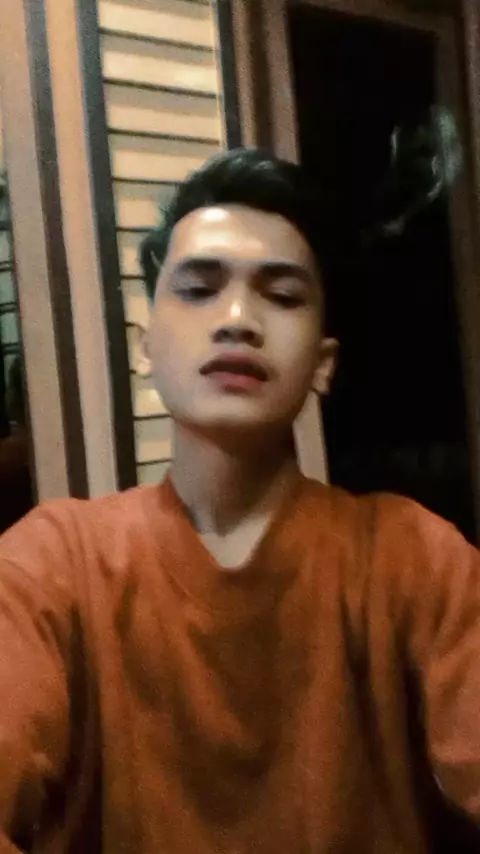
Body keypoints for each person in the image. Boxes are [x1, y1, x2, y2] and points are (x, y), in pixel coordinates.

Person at [0, 148, 478, 854]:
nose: (237, 319)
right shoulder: (52, 567)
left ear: (323, 363)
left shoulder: (418, 561)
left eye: (281, 296)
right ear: (145, 347)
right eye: (198, 289)